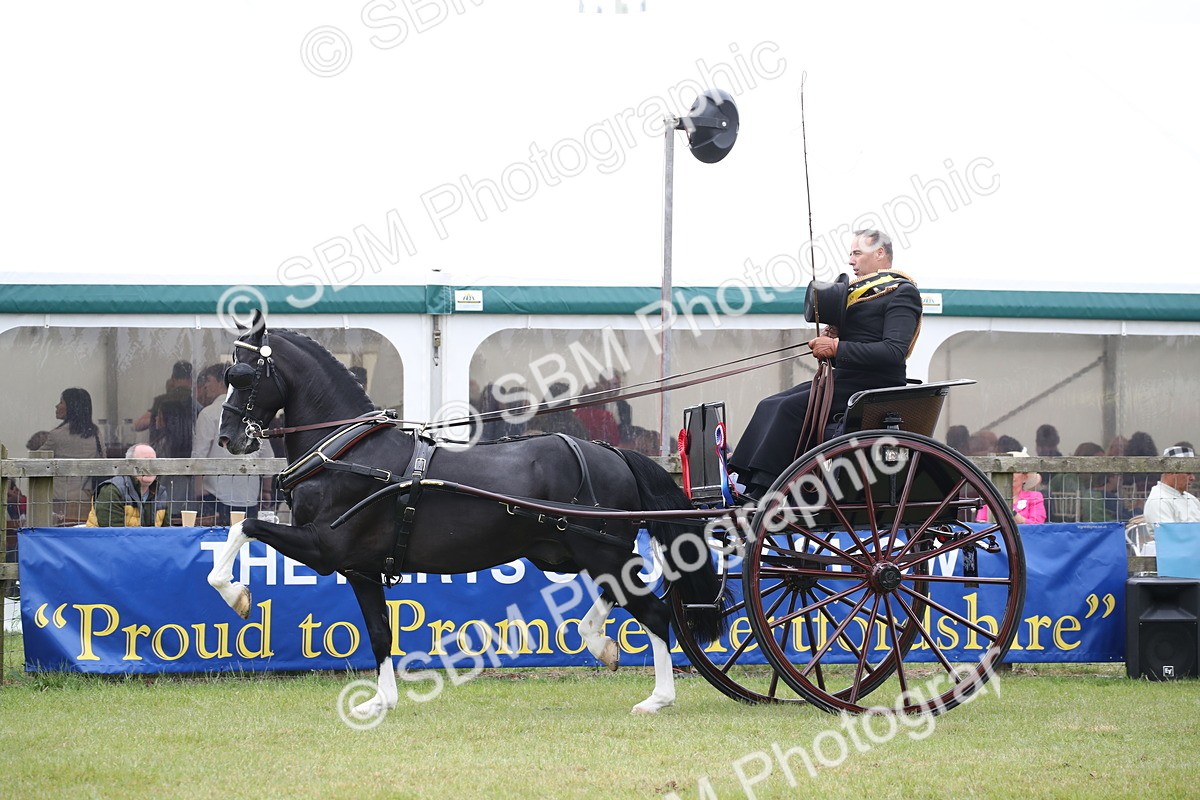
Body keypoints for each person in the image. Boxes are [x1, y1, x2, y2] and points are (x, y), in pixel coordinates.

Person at [730, 230, 922, 500]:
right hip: (844, 379)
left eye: (857, 253)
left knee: (788, 408)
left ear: (880, 253)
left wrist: (837, 347)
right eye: (851, 254)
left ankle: (766, 490)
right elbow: (861, 338)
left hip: (873, 386)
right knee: (769, 403)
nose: (851, 261)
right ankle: (743, 480)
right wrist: (834, 338)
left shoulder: (902, 293)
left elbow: (893, 351)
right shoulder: (863, 293)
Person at [192, 363, 272, 525]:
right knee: (245, 537)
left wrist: (199, 490)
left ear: (221, 382)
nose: (205, 386)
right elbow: (268, 456)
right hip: (249, 496)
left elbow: (198, 456)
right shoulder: (254, 415)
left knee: (216, 537)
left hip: (215, 495)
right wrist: (266, 490)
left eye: (208, 380)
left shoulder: (208, 414)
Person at [26, 387, 104, 522]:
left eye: (61, 402)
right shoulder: (96, 433)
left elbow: (35, 461)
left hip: (59, 499)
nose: (57, 406)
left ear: (71, 407)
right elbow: (103, 459)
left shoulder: (57, 435)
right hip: (87, 498)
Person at [87, 444, 166, 527]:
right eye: (143, 462)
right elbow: (113, 533)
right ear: (129, 466)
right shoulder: (112, 491)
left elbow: (167, 532)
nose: (149, 467)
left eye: (153, 462)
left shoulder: (161, 493)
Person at [1047, 442, 1114, 523]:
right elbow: (1084, 501)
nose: (1101, 466)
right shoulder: (1067, 478)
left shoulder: (1090, 479)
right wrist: (1107, 488)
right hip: (1069, 521)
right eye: (1098, 461)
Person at [977, 452, 1047, 524]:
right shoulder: (990, 496)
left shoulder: (1035, 497)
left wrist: (1011, 512)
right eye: (1007, 471)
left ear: (1025, 477)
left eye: (1015, 471)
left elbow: (1037, 525)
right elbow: (981, 523)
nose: (1011, 475)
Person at [1143, 445, 1200, 528]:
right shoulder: (1159, 500)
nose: (1193, 478)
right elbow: (1170, 534)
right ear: (1171, 471)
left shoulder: (1191, 499)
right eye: (1188, 473)